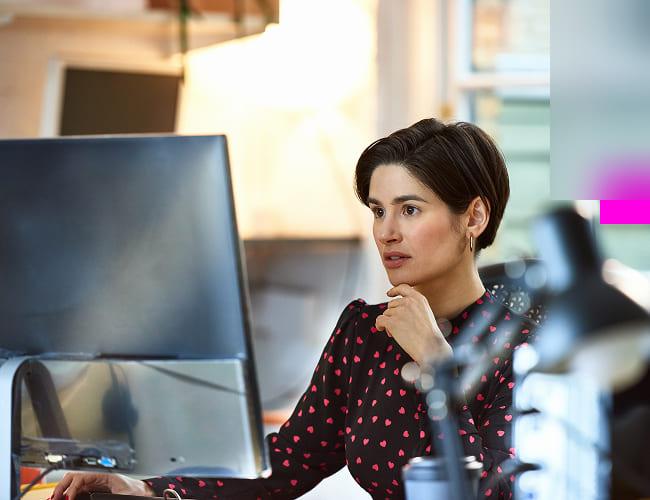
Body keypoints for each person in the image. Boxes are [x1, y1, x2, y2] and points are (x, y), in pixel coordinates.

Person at [50, 118, 536, 500]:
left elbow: (497, 493)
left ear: (473, 215)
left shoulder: (524, 352)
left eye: (409, 209)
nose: (387, 232)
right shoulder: (364, 332)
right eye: (377, 210)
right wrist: (152, 487)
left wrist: (438, 366)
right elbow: (288, 461)